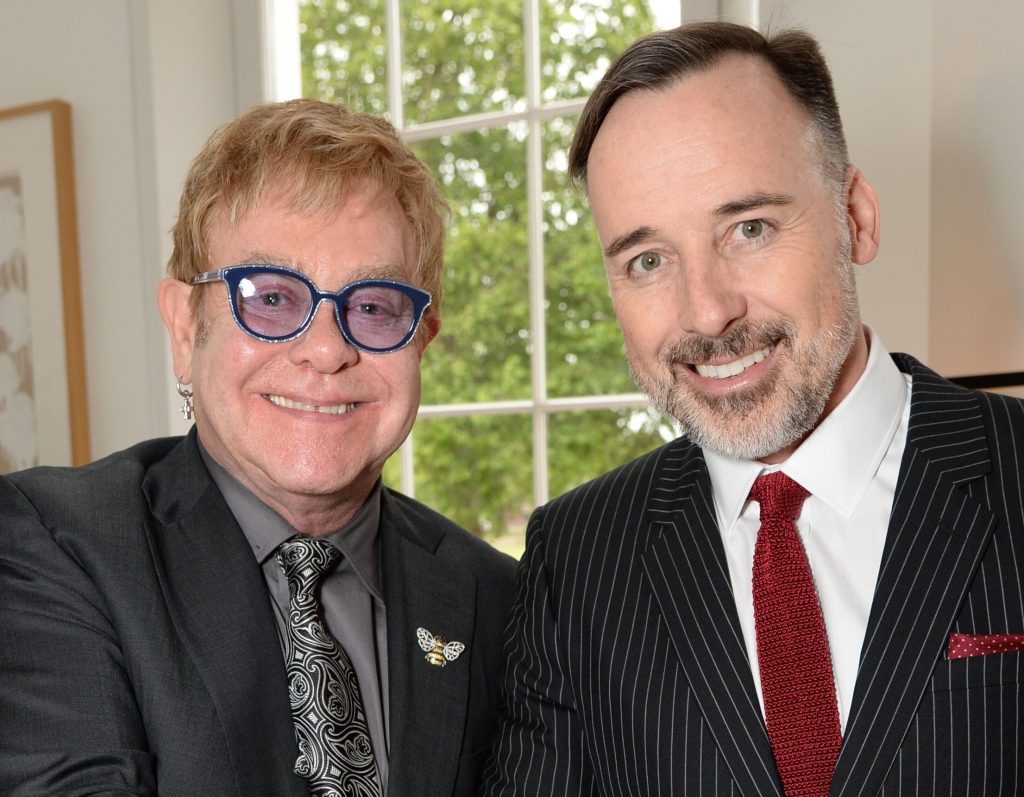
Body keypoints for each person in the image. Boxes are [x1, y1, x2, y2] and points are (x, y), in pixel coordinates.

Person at [483, 21, 1024, 796]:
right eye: (647, 259)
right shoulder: (575, 559)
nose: (705, 312)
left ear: (856, 216)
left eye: (748, 228)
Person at [0, 99, 515, 797]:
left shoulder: (497, 596)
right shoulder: (53, 546)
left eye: (372, 306)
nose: (328, 350)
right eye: (271, 297)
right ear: (186, 330)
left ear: (420, 340)